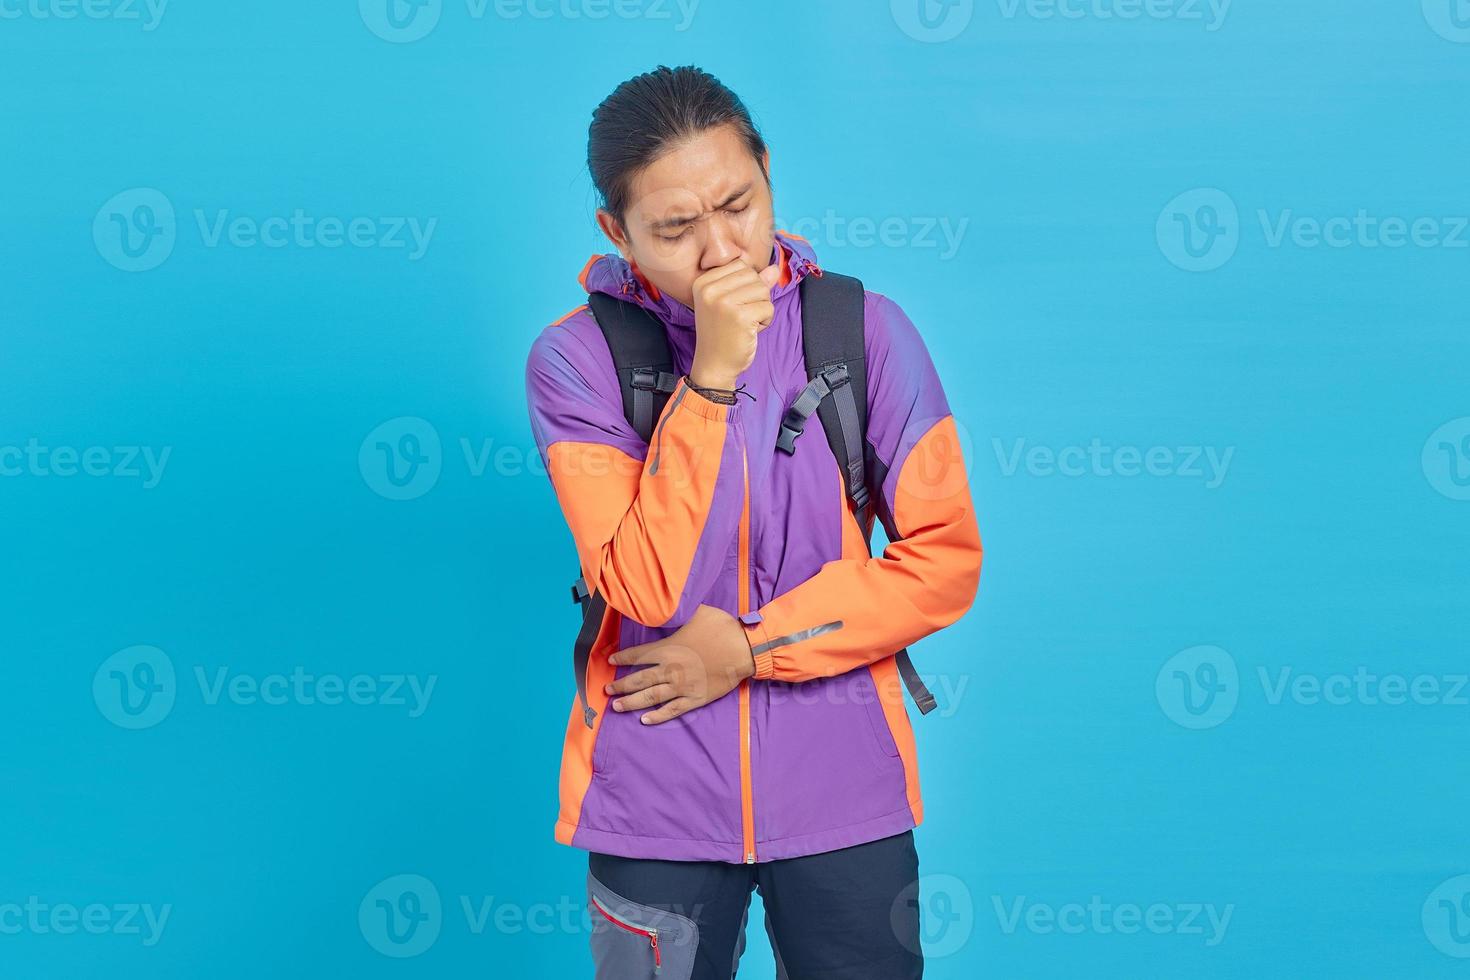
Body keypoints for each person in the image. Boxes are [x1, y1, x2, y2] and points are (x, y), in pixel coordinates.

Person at [525, 64, 983, 980]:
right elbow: (642, 586)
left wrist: (747, 647)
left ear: (768, 171)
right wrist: (714, 380)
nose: (722, 251)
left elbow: (944, 563)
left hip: (846, 787)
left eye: (738, 203)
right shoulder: (576, 361)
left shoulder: (863, 332)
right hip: (653, 792)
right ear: (616, 231)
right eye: (675, 228)